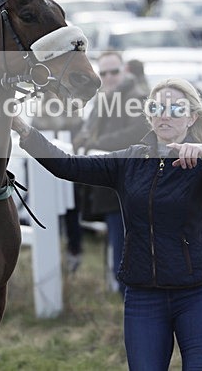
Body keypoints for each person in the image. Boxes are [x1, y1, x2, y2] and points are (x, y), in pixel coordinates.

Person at [11, 78, 202, 371]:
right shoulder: (129, 161)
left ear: (191, 117)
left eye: (176, 108)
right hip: (143, 295)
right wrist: (24, 129)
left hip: (196, 293)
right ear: (149, 115)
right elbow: (67, 165)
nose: (165, 114)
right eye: (157, 107)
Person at [70, 51, 150, 291]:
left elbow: (135, 134)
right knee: (121, 264)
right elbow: (85, 132)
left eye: (114, 71)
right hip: (113, 192)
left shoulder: (138, 97)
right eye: (103, 73)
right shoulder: (102, 99)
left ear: (124, 70)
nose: (109, 77)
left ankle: (142, 321)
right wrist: (86, 139)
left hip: (133, 192)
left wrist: (94, 143)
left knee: (130, 265)